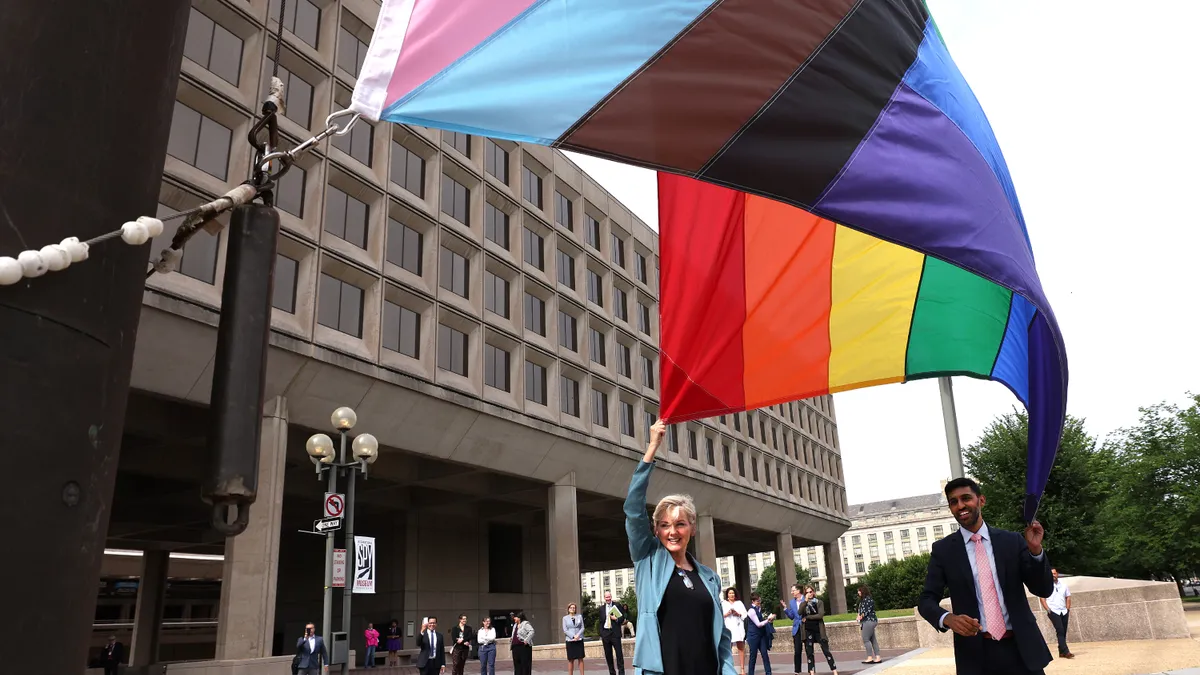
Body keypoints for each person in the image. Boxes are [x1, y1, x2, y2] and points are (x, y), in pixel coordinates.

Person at [625, 419, 736, 675]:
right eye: (664, 525)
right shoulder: (648, 559)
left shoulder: (709, 577)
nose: (672, 532)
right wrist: (652, 447)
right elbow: (632, 508)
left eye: (680, 524)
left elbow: (721, 638)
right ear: (656, 530)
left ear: (692, 528)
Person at [918, 477, 1054, 675]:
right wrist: (947, 618)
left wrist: (1035, 551)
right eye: (954, 502)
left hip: (1022, 651)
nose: (960, 505)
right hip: (976, 656)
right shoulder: (944, 551)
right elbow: (926, 600)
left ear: (981, 500)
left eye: (966, 498)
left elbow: (1043, 589)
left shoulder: (1012, 541)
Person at [1040, 568, 1074, 659]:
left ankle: (1061, 652)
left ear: (1057, 574)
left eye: (1054, 573)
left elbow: (1068, 597)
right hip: (1053, 611)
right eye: (1051, 574)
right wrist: (1048, 609)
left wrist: (1068, 609)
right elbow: (1042, 598)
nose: (1053, 575)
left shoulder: (1064, 585)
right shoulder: (1045, 586)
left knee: (1063, 631)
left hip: (1064, 611)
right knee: (1060, 630)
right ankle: (1066, 652)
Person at [744, 593, 776, 675]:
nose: (759, 602)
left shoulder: (759, 609)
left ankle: (768, 673)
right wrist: (768, 620)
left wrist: (769, 620)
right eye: (758, 601)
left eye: (760, 600)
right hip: (753, 636)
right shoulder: (751, 611)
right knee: (753, 656)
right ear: (753, 601)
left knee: (765, 654)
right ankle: (751, 673)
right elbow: (758, 624)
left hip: (760, 635)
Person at [599, 590, 627, 675]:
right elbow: (600, 622)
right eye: (606, 597)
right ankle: (612, 673)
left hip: (615, 634)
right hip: (606, 634)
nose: (608, 599)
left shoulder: (617, 605)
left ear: (611, 597)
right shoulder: (601, 609)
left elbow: (622, 618)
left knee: (619, 655)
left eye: (609, 597)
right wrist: (602, 633)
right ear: (604, 598)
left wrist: (616, 619)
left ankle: (621, 673)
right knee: (608, 656)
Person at [722, 587, 748, 675]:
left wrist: (737, 613)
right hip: (728, 627)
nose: (731, 595)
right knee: (727, 648)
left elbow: (745, 615)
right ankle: (729, 669)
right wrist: (727, 614)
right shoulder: (724, 603)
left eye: (733, 593)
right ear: (727, 595)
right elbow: (720, 615)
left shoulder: (739, 603)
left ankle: (742, 669)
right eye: (730, 593)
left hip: (738, 627)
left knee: (741, 647)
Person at [856, 586, 881, 664]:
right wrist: (858, 616)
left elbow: (866, 612)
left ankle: (869, 657)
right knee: (873, 639)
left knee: (866, 639)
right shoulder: (865, 600)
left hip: (868, 621)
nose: (858, 592)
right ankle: (878, 657)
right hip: (871, 621)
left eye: (859, 591)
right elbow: (862, 611)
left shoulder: (866, 600)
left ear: (863, 591)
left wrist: (860, 617)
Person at [564, 602, 587, 675]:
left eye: (574, 608)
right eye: (571, 608)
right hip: (570, 640)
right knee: (571, 660)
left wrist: (578, 635)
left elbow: (582, 627)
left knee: (580, 658)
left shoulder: (579, 616)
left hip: (579, 639)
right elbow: (565, 630)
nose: (572, 609)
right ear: (568, 609)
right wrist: (573, 636)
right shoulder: (565, 618)